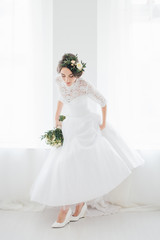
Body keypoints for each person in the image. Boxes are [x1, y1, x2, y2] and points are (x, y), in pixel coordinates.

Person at [30, 53, 145, 228]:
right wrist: (57, 120)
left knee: (80, 165)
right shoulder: (59, 82)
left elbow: (103, 102)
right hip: (69, 127)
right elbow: (61, 98)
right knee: (64, 164)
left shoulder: (84, 85)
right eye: (63, 75)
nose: (67, 80)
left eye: (70, 76)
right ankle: (72, 206)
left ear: (77, 75)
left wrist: (103, 123)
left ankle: (74, 206)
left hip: (86, 127)